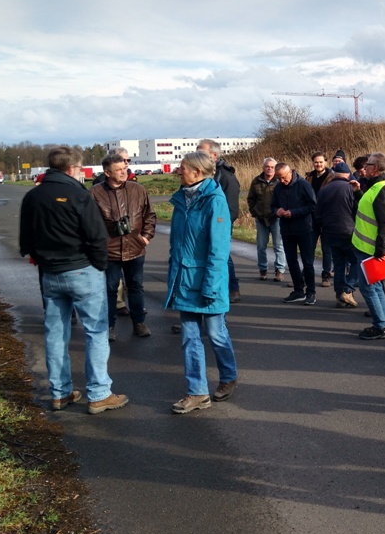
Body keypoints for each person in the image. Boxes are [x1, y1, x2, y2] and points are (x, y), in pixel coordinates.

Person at [19, 146, 128, 414]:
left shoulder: (32, 197)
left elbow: (25, 239)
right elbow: (97, 237)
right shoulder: (79, 195)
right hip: (82, 270)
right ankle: (99, 393)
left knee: (55, 333)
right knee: (96, 332)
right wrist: (99, 265)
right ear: (72, 169)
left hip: (50, 274)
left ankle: (60, 393)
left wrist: (43, 259)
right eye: (79, 169)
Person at [165, 151, 239, 414]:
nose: (178, 171)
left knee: (217, 334)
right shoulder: (182, 199)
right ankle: (197, 392)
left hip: (209, 282)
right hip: (185, 281)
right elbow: (177, 245)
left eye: (182, 168)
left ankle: (229, 375)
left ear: (197, 172)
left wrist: (210, 286)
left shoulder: (214, 201)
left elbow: (219, 251)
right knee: (189, 337)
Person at [90, 153, 156, 341]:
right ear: (107, 173)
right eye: (119, 170)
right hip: (109, 250)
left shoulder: (138, 189)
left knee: (136, 286)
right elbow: (88, 223)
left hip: (135, 248)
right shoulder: (95, 193)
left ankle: (139, 323)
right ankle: (109, 326)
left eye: (125, 168)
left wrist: (146, 236)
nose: (123, 172)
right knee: (110, 289)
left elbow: (149, 215)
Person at [352, 154, 385, 339]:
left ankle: (381, 326)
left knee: (369, 287)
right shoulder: (377, 186)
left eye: (368, 164)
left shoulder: (382, 188)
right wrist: (357, 193)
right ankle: (384, 321)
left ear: (376, 168)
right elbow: (370, 210)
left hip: (371, 249)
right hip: (367, 246)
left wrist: (381, 249)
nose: (364, 167)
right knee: (375, 286)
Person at [197, 139, 241, 303]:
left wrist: (219, 226)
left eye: (201, 152)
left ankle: (233, 288)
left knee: (222, 257)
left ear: (214, 155)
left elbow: (231, 209)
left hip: (219, 227)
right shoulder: (202, 175)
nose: (197, 155)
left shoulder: (226, 177)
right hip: (201, 227)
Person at [315, 160, 360, 307]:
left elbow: (318, 213)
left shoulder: (324, 190)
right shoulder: (349, 188)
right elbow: (357, 209)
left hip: (329, 232)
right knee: (357, 262)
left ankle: (339, 295)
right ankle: (348, 290)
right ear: (348, 175)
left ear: (334, 175)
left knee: (339, 264)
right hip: (348, 231)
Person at [272, 162, 318, 305]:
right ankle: (298, 290)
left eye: (284, 178)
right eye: (278, 178)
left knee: (307, 262)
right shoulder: (278, 187)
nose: (282, 181)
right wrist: (277, 211)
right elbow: (272, 205)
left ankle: (311, 292)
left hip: (304, 228)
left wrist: (294, 213)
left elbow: (312, 205)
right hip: (286, 229)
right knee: (291, 261)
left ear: (290, 173)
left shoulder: (303, 184)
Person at [246, 156, 287, 282]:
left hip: (276, 218)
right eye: (267, 167)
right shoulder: (256, 181)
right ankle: (263, 269)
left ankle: (279, 270)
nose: (269, 169)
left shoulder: (280, 181)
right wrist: (254, 212)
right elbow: (250, 198)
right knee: (261, 246)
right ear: (263, 168)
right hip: (261, 218)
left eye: (272, 167)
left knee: (278, 246)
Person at [305, 152, 335, 287]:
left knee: (326, 249)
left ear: (326, 162)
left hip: (326, 219)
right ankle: (306, 274)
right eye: (316, 162)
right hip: (311, 218)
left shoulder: (332, 177)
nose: (318, 164)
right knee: (309, 248)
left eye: (321, 162)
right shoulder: (309, 177)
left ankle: (326, 275)